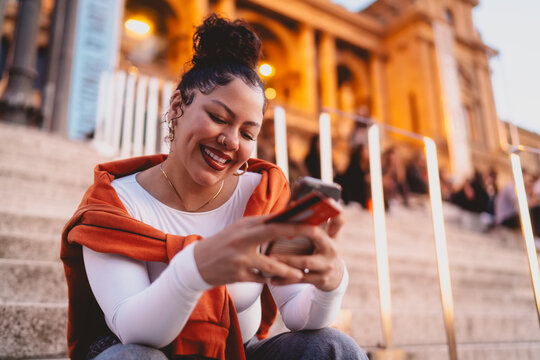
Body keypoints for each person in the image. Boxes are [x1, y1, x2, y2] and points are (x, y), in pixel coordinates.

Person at [61, 14, 367, 360]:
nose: (230, 141)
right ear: (178, 106)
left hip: (237, 351)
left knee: (332, 346)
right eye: (219, 118)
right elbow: (134, 330)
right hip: (144, 350)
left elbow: (297, 313)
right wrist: (196, 269)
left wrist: (329, 284)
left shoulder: (263, 194)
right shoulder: (113, 203)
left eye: (248, 133)